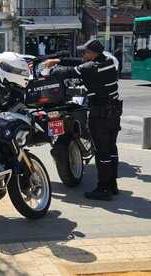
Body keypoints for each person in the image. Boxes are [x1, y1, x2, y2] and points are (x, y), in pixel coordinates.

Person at [44, 39, 123, 201]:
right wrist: (58, 60)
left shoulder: (91, 68)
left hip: (100, 114)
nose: (83, 55)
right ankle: (112, 185)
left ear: (93, 54)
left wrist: (49, 71)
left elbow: (67, 72)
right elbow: (79, 62)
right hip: (114, 112)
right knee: (111, 149)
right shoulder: (108, 62)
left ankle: (103, 189)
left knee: (102, 152)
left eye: (85, 52)